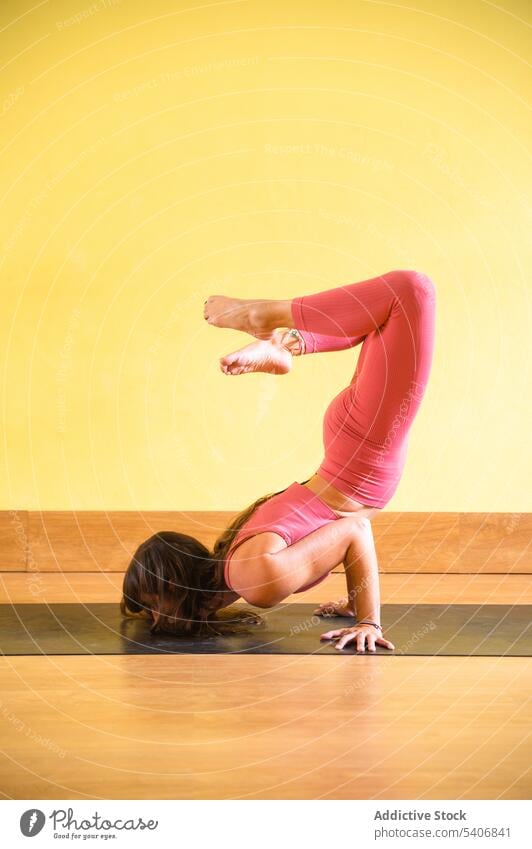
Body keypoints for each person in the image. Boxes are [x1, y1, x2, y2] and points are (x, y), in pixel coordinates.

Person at [121, 269, 436, 652]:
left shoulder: (254, 579)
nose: (154, 621)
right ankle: (284, 343)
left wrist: (368, 621)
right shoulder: (238, 562)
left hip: (364, 456)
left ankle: (269, 319)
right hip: (351, 453)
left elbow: (354, 530)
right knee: (377, 318)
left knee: (410, 292)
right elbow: (337, 534)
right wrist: (354, 602)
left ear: (173, 587)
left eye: (151, 608)